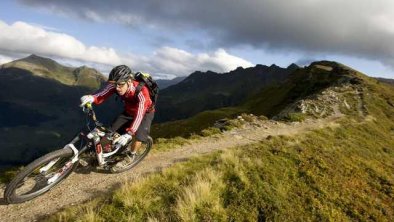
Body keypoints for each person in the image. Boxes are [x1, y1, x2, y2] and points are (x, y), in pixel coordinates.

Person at [80, 65, 154, 167]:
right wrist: (91, 98)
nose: (117, 88)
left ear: (129, 81)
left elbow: (140, 114)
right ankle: (105, 153)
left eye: (120, 85)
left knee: (138, 136)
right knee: (110, 131)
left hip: (145, 112)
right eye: (114, 85)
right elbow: (102, 94)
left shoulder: (142, 91)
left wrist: (130, 133)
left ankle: (131, 156)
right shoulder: (116, 84)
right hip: (129, 111)